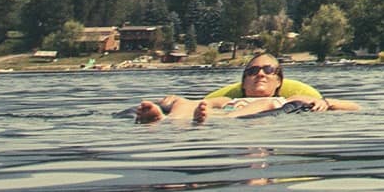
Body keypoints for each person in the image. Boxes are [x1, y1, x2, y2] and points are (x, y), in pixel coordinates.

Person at [133, 52, 360, 124]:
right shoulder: (226, 100)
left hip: (255, 114)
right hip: (226, 112)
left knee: (267, 102)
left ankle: (207, 120)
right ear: (243, 82)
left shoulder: (290, 96)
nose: (259, 74)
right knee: (185, 103)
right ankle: (164, 122)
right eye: (252, 72)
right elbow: (199, 103)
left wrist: (328, 103)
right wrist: (171, 102)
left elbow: (356, 107)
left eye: (268, 70)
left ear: (279, 81)